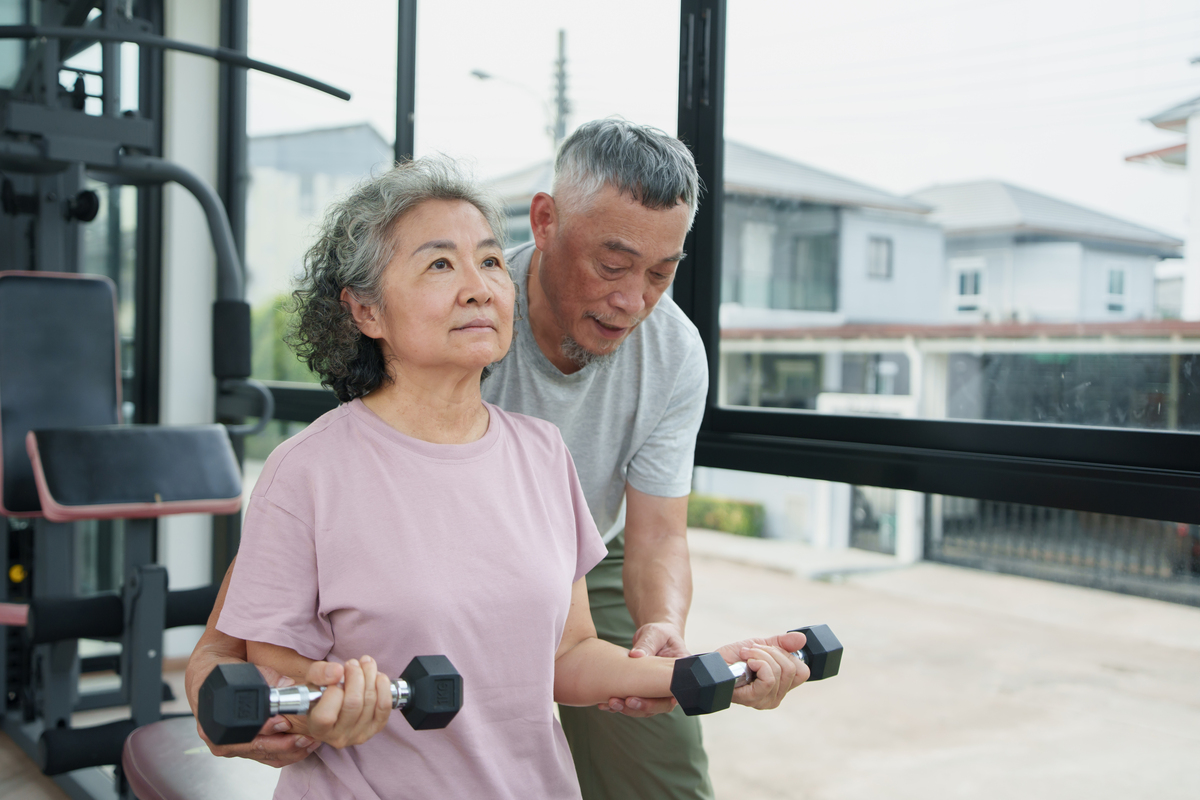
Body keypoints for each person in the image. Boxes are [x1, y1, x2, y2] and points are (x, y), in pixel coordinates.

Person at [185, 120, 756, 797]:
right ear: (365, 309)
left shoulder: (549, 449)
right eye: (438, 264)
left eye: (488, 261)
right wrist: (304, 705)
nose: (479, 286)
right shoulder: (312, 467)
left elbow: (592, 622)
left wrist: (716, 668)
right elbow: (267, 654)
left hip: (554, 660)